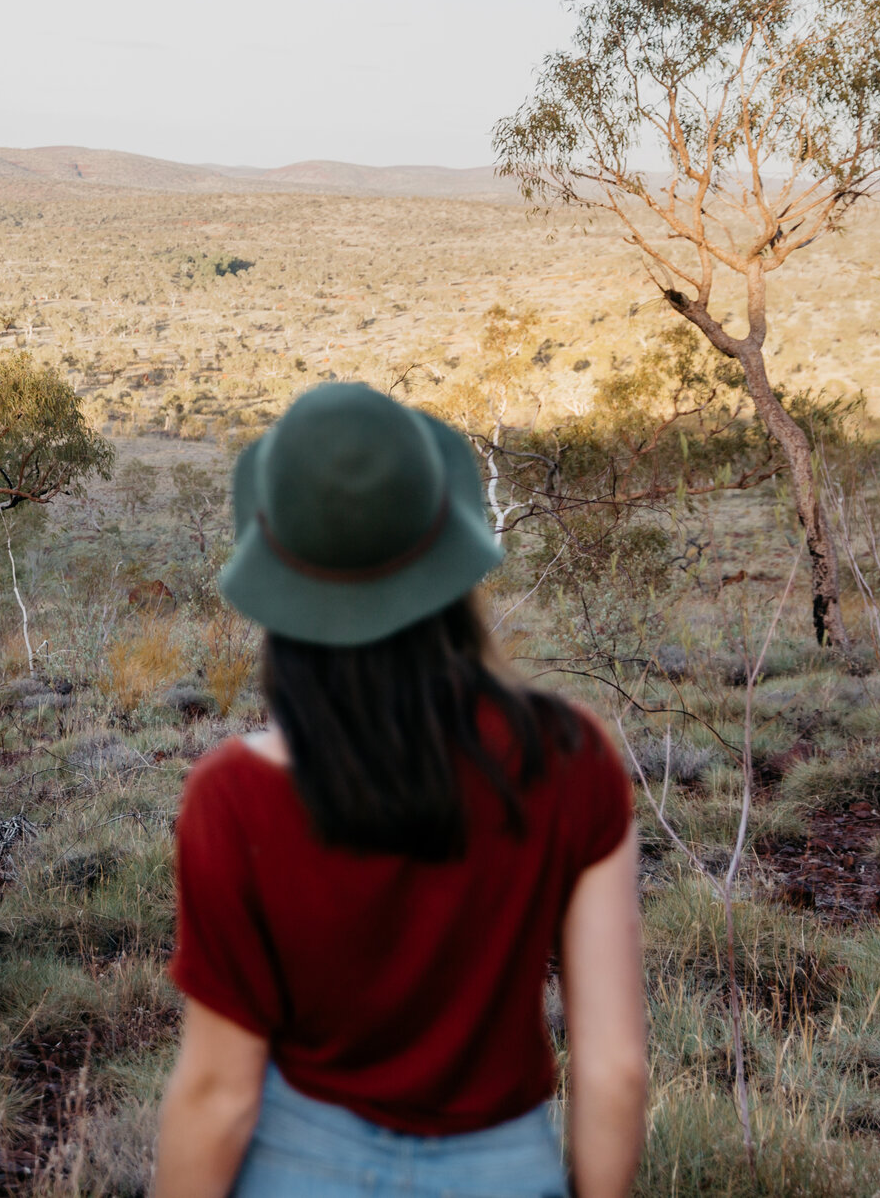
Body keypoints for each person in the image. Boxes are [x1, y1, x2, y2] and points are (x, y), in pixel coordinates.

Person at [151, 382, 646, 1198]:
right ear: (446, 556)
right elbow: (615, 1070)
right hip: (504, 1169)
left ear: (280, 579)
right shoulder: (571, 756)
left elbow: (219, 1092)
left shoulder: (231, 797)